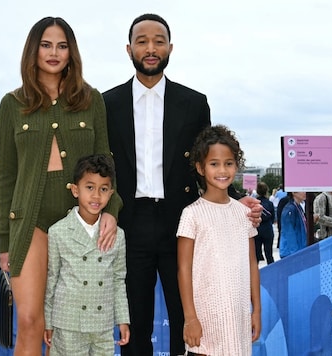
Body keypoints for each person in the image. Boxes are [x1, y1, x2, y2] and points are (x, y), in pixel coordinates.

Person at [102, 13, 261, 355]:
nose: (150, 48)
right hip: (130, 221)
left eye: (158, 41)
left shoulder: (193, 102)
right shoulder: (107, 103)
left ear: (170, 48)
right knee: (136, 322)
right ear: (129, 49)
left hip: (183, 222)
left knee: (187, 319)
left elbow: (206, 162)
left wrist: (235, 200)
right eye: (142, 41)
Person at [0, 16, 123, 354]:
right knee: (30, 322)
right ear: (33, 51)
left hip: (81, 223)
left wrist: (111, 209)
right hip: (29, 223)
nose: (54, 52)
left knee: (68, 326)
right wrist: (3, 243)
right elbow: (6, 177)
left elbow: (105, 161)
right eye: (46, 45)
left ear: (71, 52)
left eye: (62, 45)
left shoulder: (91, 100)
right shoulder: (11, 104)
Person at [177, 125, 261, 355]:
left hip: (239, 316)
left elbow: (252, 264)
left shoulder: (244, 214)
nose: (222, 170)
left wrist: (257, 311)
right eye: (214, 164)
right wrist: (190, 318)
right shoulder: (191, 214)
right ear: (200, 168)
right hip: (205, 319)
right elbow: (184, 269)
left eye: (229, 163)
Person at [44, 154, 129, 355]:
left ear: (111, 193)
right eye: (89, 187)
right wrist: (48, 320)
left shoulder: (117, 235)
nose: (96, 196)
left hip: (103, 323)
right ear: (75, 190)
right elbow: (52, 279)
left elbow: (118, 280)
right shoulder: (58, 231)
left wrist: (123, 319)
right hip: (68, 322)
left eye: (104, 189)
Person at [280, 192, 308, 258]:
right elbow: (289, 232)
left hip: (299, 248)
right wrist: (294, 253)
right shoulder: (290, 209)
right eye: (301, 190)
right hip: (291, 252)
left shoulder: (298, 207)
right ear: (293, 192)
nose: (305, 192)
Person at [255, 182, 275, 265]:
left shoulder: (255, 203)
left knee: (256, 254)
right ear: (266, 190)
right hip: (267, 229)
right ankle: (272, 270)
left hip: (257, 229)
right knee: (269, 254)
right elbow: (273, 218)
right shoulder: (270, 203)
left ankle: (254, 273)